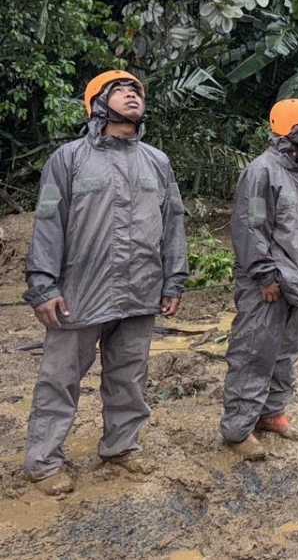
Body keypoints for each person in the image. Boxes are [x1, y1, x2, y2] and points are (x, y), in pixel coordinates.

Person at [23, 70, 187, 495]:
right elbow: (47, 222)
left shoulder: (157, 161)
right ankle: (43, 461)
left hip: (140, 289)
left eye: (137, 90)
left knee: (130, 375)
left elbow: (173, 225)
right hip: (80, 291)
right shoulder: (69, 159)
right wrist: (43, 284)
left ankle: (121, 446)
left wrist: (174, 280)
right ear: (97, 103)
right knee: (60, 377)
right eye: (121, 90)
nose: (133, 95)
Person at [221, 99, 298, 459]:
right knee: (254, 352)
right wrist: (264, 274)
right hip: (266, 283)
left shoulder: (295, 173)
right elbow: (250, 227)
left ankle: (271, 413)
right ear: (295, 132)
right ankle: (238, 429)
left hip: (293, 282)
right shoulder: (261, 171)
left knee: (284, 352)